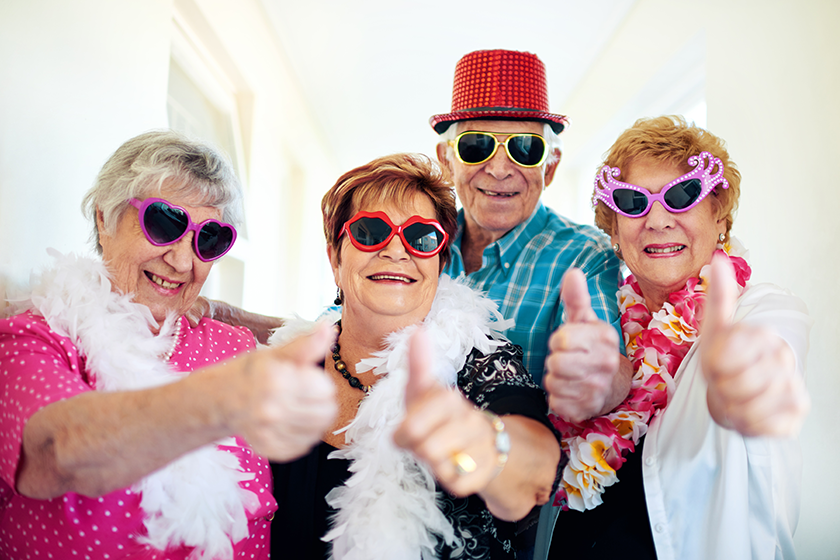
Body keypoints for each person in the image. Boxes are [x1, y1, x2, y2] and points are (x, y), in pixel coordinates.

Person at [0, 131, 338, 559]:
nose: (182, 261)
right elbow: (55, 452)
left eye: (210, 238)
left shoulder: (232, 344)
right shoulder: (33, 338)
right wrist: (214, 402)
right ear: (105, 217)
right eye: (164, 222)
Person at [268, 153, 562, 559]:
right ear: (335, 259)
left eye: (421, 237)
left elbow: (530, 479)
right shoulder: (286, 367)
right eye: (370, 231)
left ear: (440, 263)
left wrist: (486, 448)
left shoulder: (480, 363)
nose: (395, 250)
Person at [546, 115, 811, 559]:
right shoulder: (607, 324)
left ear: (719, 217)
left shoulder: (761, 312)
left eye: (682, 196)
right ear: (614, 230)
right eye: (633, 202)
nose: (657, 220)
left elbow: (769, 357)